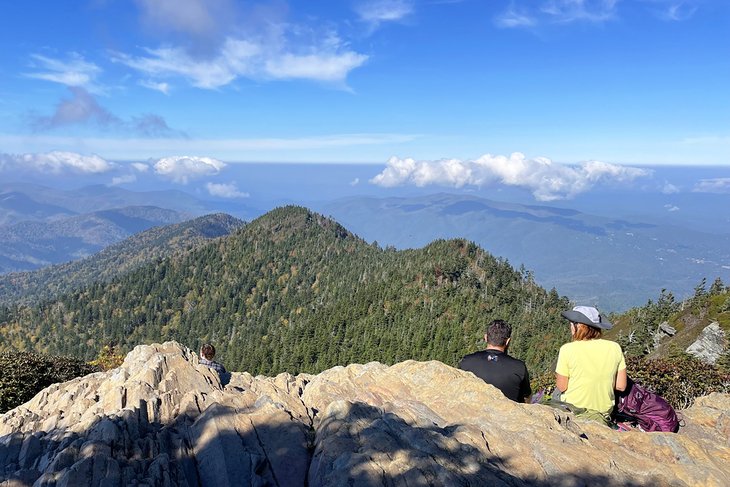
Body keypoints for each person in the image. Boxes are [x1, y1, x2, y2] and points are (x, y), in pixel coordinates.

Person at [554, 305, 627, 425]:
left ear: (579, 326)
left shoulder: (567, 349)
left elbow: (562, 386)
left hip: (575, 411)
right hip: (603, 413)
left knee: (555, 394)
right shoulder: (615, 347)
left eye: (572, 323)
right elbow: (621, 386)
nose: (570, 326)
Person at [458, 319, 532, 403]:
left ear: (486, 337)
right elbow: (527, 396)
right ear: (508, 341)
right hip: (507, 414)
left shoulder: (467, 361)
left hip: (471, 411)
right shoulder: (519, 367)